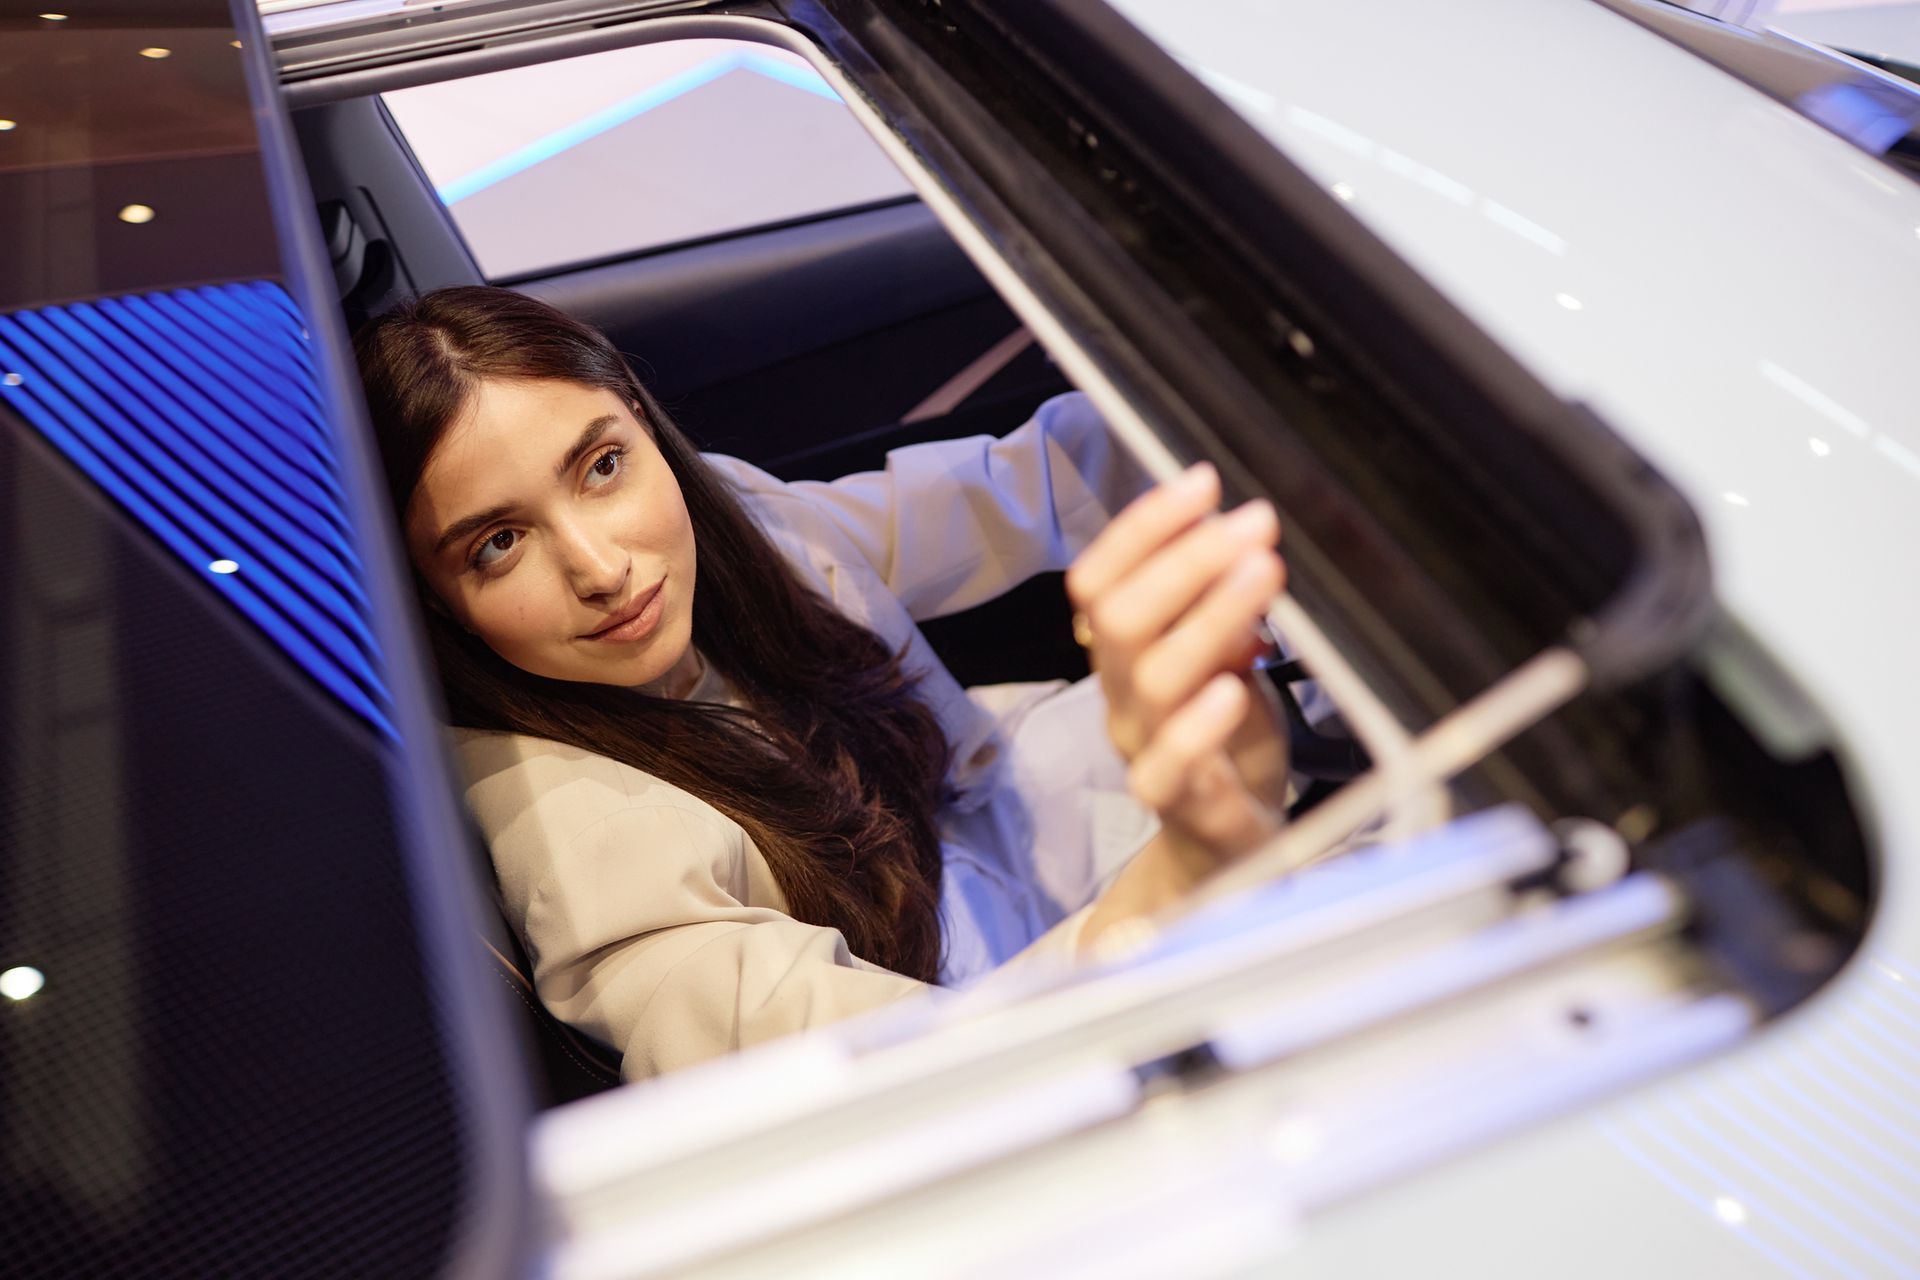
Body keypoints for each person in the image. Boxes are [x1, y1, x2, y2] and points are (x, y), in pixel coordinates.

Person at [355, 286, 1291, 1080]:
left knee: (1313, 702)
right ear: (433, 601)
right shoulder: (581, 845)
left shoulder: (734, 517)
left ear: (641, 422)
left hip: (979, 823)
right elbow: (913, 1085)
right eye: (499, 543)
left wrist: (1271, 410)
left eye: (602, 466)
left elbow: (1024, 484)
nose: (600, 566)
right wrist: (1195, 856)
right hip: (997, 1007)